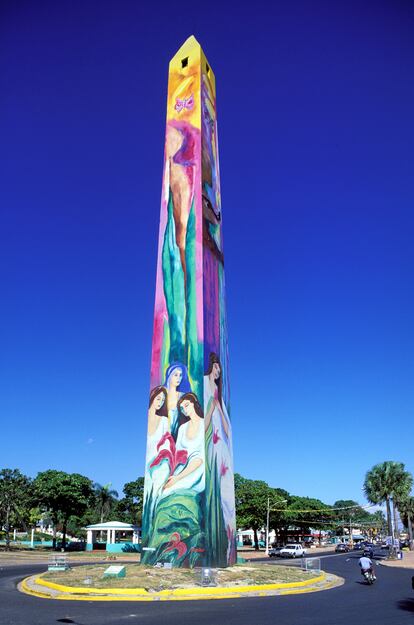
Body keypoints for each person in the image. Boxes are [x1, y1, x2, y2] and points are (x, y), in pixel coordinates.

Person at [162, 392, 205, 493]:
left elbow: (199, 459)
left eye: (186, 405)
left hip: (197, 470)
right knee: (164, 490)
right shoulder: (182, 428)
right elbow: (178, 454)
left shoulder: (204, 424)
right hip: (182, 469)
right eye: (181, 408)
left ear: (194, 403)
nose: (184, 409)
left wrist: (177, 478)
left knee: (171, 490)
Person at [163, 362, 192, 439]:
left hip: (178, 436)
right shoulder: (161, 395)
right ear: (169, 376)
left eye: (180, 375)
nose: (178, 378)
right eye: (175, 375)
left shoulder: (183, 396)